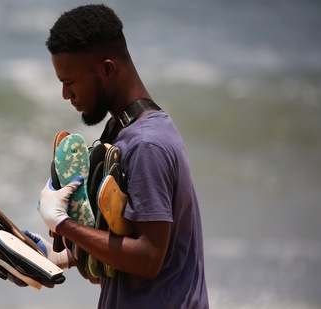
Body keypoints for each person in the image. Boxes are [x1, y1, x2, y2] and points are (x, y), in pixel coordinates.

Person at [34, 4, 209, 308]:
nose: (66, 95)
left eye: (70, 82)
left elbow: (148, 258)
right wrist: (62, 256)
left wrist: (64, 225)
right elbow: (122, 246)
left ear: (108, 69)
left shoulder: (146, 144)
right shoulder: (119, 130)